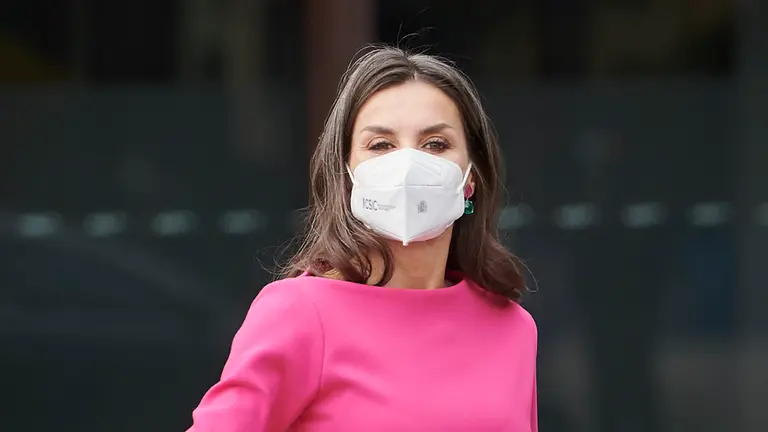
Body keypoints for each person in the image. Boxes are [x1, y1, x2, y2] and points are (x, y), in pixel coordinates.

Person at [187, 45, 538, 432]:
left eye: (435, 144)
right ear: (347, 175)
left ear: (470, 177)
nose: (407, 164)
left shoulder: (513, 327)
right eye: (381, 145)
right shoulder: (300, 313)